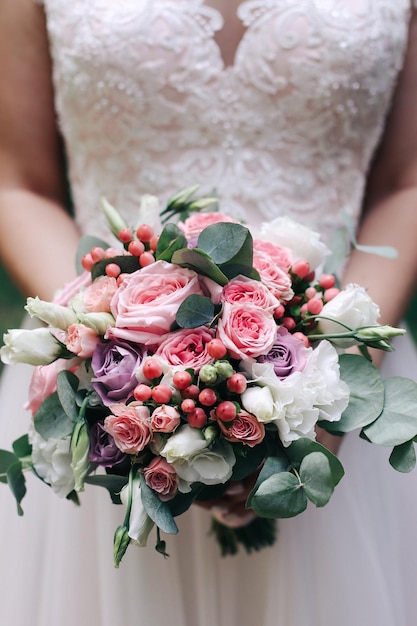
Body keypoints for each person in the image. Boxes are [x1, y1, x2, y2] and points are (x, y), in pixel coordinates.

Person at [0, 1, 417, 624]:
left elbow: (406, 181)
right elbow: (16, 180)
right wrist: (111, 349)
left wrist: (334, 378)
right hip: (101, 394)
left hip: (338, 388)